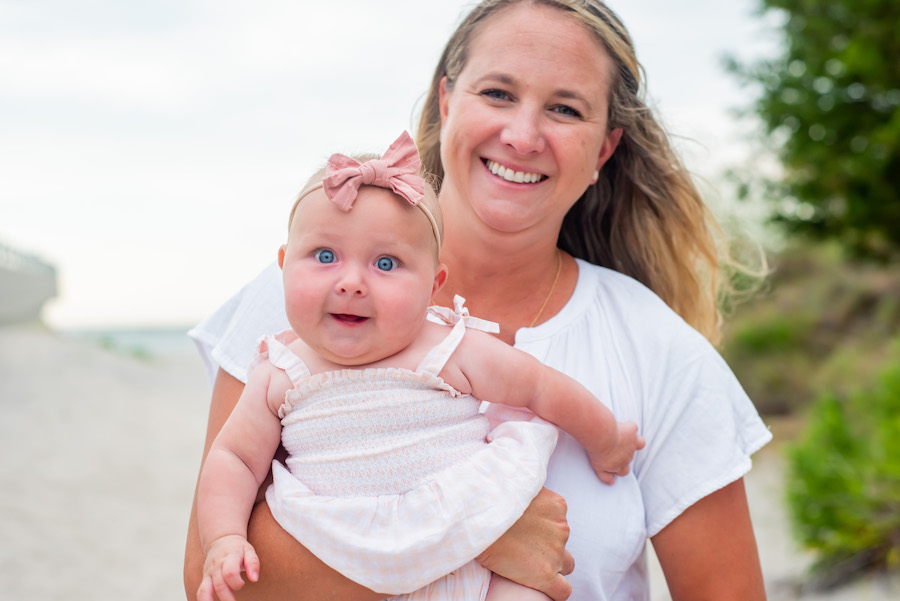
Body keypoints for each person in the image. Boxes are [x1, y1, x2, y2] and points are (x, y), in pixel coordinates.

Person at [183, 1, 773, 600]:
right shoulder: (304, 300)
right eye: (497, 93)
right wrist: (471, 536)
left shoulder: (661, 351)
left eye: (565, 109)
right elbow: (212, 577)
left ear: (603, 149)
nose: (521, 135)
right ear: (446, 102)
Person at [195, 131, 644, 601]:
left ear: (434, 285)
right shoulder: (281, 372)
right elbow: (235, 459)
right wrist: (224, 538)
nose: (351, 282)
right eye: (325, 256)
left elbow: (542, 388)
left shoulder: (450, 348)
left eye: (386, 263)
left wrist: (606, 437)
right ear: (284, 266)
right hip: (350, 558)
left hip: (476, 550)